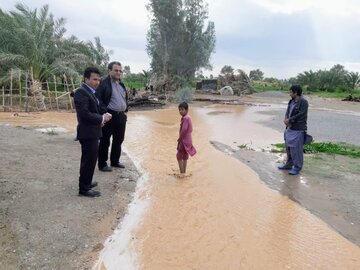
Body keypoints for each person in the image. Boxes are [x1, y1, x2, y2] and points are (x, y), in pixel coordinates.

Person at [74, 67, 112, 197]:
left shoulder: (91, 92)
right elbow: (84, 114)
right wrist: (101, 118)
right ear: (86, 79)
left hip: (93, 131)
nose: (97, 82)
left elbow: (95, 108)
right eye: (94, 79)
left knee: (91, 159)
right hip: (87, 132)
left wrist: (103, 114)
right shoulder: (81, 92)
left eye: (99, 80)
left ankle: (87, 182)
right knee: (88, 160)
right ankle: (84, 189)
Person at [96, 61, 129, 172]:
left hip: (121, 116)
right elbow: (98, 99)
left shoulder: (121, 84)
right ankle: (102, 164)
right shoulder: (103, 83)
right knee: (105, 140)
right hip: (109, 115)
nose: (118, 72)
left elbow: (125, 99)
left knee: (119, 140)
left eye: (120, 70)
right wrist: (104, 112)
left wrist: (125, 110)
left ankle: (115, 161)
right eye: (116, 70)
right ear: (109, 71)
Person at [278, 84, 309, 175]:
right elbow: (288, 112)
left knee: (296, 149)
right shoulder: (291, 101)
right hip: (289, 128)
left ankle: (297, 167)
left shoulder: (303, 102)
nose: (289, 94)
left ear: (296, 93)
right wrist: (286, 120)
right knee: (288, 147)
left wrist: (290, 120)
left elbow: (301, 114)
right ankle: (289, 164)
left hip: (298, 129)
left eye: (291, 92)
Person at [177, 102, 197, 175]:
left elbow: (184, 130)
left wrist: (179, 139)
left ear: (187, 110)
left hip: (184, 140)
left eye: (182, 109)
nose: (180, 111)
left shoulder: (185, 118)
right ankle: (184, 172)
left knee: (178, 156)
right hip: (189, 139)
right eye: (179, 110)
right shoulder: (188, 117)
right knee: (185, 156)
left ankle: (182, 173)